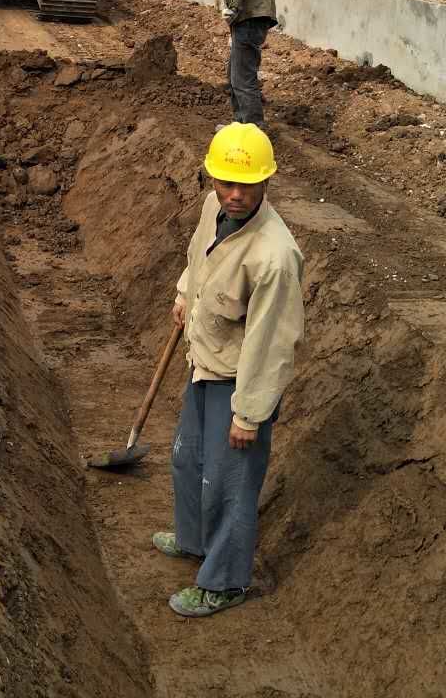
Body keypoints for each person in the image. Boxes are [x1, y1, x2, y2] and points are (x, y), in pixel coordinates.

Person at [153, 122, 304, 618]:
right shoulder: (213, 207)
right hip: (205, 361)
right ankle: (194, 538)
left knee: (229, 483)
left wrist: (249, 414)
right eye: (225, 183)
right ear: (212, 178)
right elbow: (200, 255)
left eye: (247, 185)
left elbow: (272, 343)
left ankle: (225, 580)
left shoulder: (275, 257)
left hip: (238, 382)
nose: (235, 195)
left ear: (267, 182)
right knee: (187, 459)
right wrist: (183, 293)